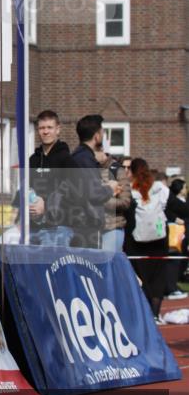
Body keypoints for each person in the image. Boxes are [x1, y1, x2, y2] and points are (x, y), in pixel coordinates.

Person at [129, 158, 170, 323]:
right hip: (159, 240)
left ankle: (145, 316)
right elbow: (179, 208)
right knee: (158, 278)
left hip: (137, 242)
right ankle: (155, 314)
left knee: (142, 278)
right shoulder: (160, 189)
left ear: (131, 172)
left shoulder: (130, 191)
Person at [70, 115, 120, 248]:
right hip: (86, 225)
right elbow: (93, 193)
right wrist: (110, 188)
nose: (103, 136)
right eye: (102, 132)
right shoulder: (84, 159)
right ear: (96, 136)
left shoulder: (80, 157)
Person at [28, 110, 74, 247]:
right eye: (42, 128)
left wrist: (46, 205)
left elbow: (73, 193)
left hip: (58, 227)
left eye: (49, 127)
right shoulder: (33, 160)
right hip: (33, 226)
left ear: (58, 129)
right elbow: (27, 188)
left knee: (53, 267)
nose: (45, 132)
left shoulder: (67, 160)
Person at [164, 177, 189, 298]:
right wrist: (176, 219)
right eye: (185, 187)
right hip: (175, 234)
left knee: (179, 260)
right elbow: (167, 211)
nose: (186, 189)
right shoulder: (172, 201)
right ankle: (170, 287)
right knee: (173, 259)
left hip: (183, 235)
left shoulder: (184, 200)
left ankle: (173, 285)